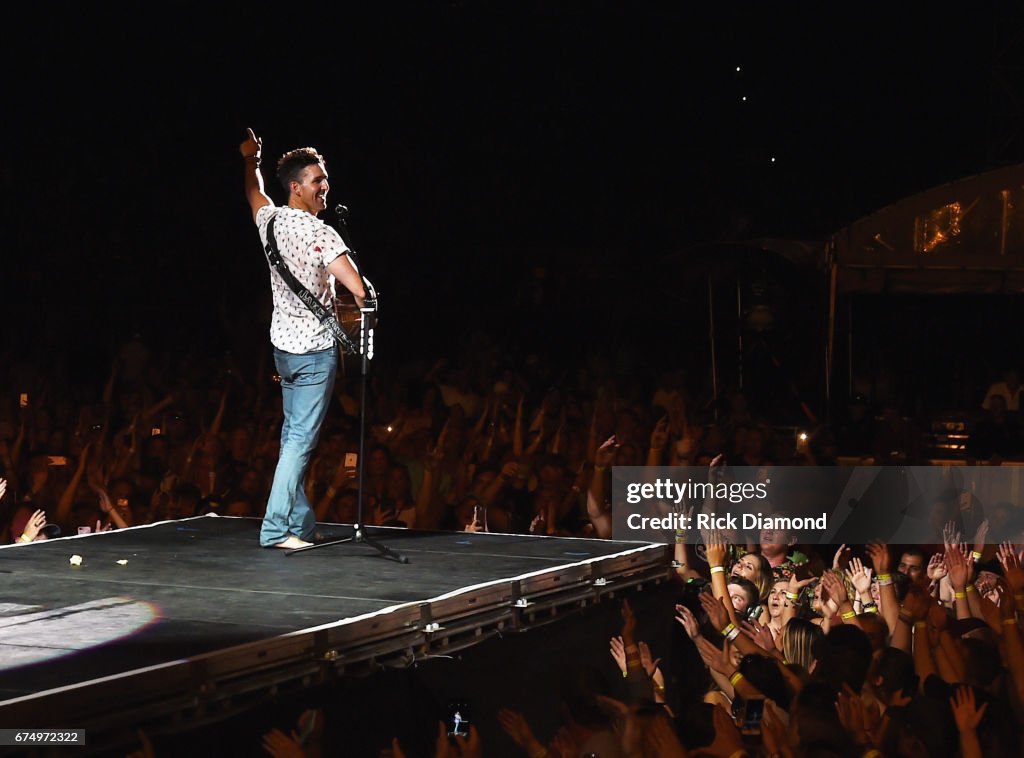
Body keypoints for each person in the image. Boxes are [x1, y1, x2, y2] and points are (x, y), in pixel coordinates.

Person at [240, 128, 366, 549]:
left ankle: (302, 523)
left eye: (325, 179)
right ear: (296, 188)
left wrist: (251, 160)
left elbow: (254, 193)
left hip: (283, 350)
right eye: (317, 181)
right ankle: (275, 530)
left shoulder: (270, 221)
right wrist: (356, 277)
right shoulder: (322, 233)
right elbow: (359, 290)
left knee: (291, 438)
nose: (325, 187)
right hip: (313, 351)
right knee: (298, 443)